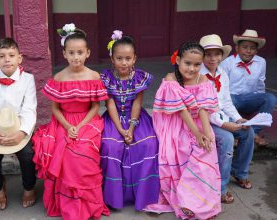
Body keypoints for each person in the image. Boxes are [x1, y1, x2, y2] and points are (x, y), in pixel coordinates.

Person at [31, 23, 110, 219]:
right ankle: (69, 203)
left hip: (88, 121)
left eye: (80, 52)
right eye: (71, 52)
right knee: (64, 152)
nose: (76, 57)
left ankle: (88, 203)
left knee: (82, 149)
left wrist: (80, 126)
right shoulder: (59, 77)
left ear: (87, 53)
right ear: (64, 54)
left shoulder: (93, 76)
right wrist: (68, 126)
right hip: (63, 122)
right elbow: (55, 109)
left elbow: (94, 107)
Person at [146, 41, 221, 219]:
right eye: (187, 63)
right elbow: (181, 110)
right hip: (176, 123)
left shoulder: (203, 80)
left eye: (197, 64)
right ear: (178, 60)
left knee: (206, 149)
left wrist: (206, 133)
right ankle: (186, 202)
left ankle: (202, 202)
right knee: (181, 147)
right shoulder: (171, 79)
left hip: (198, 123)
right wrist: (196, 134)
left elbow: (203, 108)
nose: (192, 68)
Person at [99, 30, 159, 211]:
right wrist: (120, 129)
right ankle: (114, 199)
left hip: (136, 118)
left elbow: (137, 104)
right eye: (119, 58)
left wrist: (131, 129)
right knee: (110, 146)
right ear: (112, 59)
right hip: (113, 119)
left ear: (134, 59)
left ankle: (142, 196)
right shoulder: (106, 78)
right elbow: (109, 105)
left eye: (127, 58)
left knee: (148, 144)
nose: (123, 63)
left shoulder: (139, 77)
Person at [0, 38, 37, 210]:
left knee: (27, 155)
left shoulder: (27, 79)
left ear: (20, 58)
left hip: (20, 128)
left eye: (12, 55)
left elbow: (29, 109)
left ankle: (29, 187)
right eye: (2, 56)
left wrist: (22, 132)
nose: (7, 59)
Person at [199, 34, 255, 204]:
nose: (213, 58)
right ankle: (221, 188)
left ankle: (239, 172)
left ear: (222, 56)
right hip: (205, 120)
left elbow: (227, 102)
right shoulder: (198, 75)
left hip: (222, 117)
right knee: (227, 138)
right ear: (201, 56)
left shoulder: (222, 73)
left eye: (217, 54)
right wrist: (225, 125)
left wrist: (238, 119)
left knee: (248, 132)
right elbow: (204, 108)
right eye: (208, 54)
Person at [220, 29, 277, 147]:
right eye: (245, 47)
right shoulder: (227, 63)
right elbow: (222, 89)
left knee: (270, 98)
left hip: (250, 99)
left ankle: (254, 133)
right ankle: (236, 135)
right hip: (232, 99)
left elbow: (260, 85)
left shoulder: (261, 62)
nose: (249, 51)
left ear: (257, 50)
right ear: (237, 48)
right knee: (228, 100)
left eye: (253, 48)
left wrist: (259, 99)